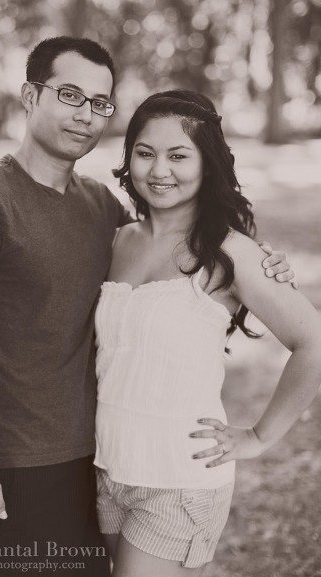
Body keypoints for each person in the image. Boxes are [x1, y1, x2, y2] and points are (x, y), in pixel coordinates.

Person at [0, 37, 293, 576]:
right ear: (30, 95)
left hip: (99, 461)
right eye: (69, 95)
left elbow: (184, 251)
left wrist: (265, 266)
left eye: (99, 103)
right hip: (18, 465)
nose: (86, 115)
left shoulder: (101, 208)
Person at [94, 90, 321, 576]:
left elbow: (314, 344)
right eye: (145, 152)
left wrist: (259, 437)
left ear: (207, 164)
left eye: (179, 155)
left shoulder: (230, 252)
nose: (159, 170)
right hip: (107, 469)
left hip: (179, 478)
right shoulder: (118, 239)